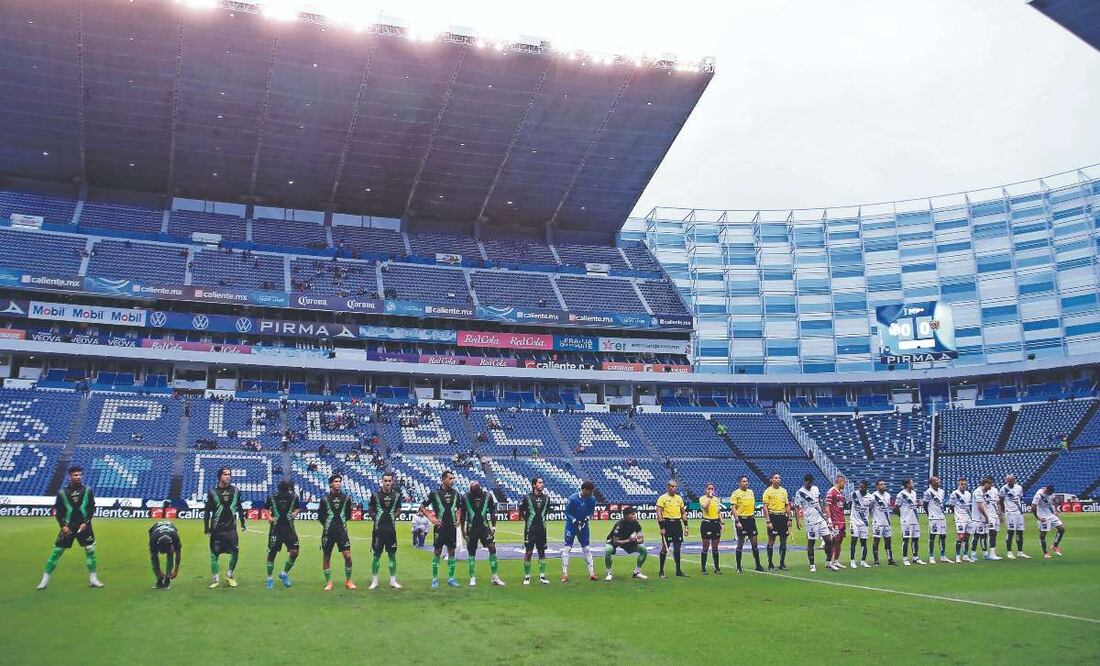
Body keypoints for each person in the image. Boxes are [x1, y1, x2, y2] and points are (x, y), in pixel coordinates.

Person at [38, 466, 103, 590]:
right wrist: (63, 526)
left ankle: (93, 579)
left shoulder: (88, 490)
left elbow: (91, 508)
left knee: (90, 550)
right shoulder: (62, 493)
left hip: (84, 526)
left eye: (79, 475)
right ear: (70, 476)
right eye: (75, 475)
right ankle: (44, 581)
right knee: (57, 551)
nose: (78, 477)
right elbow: (58, 511)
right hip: (68, 527)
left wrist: (86, 522)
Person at [203, 467, 246, 588]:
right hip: (217, 530)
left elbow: (240, 508)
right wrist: (206, 527)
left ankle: (229, 575)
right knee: (214, 555)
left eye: (229, 474)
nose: (228, 476)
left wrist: (243, 523)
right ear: (219, 476)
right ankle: (215, 580)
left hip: (231, 529)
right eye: (225, 474)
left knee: (235, 552)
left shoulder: (235, 491)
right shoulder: (212, 492)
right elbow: (207, 511)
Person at [459, 481, 504, 587]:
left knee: (492, 548)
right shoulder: (465, 497)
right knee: (471, 552)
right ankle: (472, 577)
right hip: (471, 528)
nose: (472, 493)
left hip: (484, 527)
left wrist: (493, 526)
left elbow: (492, 511)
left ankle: (495, 577)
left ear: (479, 489)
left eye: (474, 491)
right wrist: (463, 530)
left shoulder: (487, 496)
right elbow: (463, 515)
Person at [421, 470, 461, 588]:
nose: (452, 480)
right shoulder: (435, 493)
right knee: (437, 552)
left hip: (452, 527)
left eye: (453, 478)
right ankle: (434, 579)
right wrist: (430, 518)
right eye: (450, 478)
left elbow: (459, 508)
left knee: (452, 552)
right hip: (440, 527)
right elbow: (422, 507)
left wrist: (458, 518)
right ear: (444, 479)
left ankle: (451, 578)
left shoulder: (456, 493)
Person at [317, 474, 356, 591]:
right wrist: (329, 525)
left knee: (348, 556)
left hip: (342, 532)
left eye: (339, 481)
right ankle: (329, 582)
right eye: (335, 481)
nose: (338, 483)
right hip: (328, 532)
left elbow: (348, 515)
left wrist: (340, 525)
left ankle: (348, 580)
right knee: (326, 557)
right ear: (330, 484)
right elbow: (320, 516)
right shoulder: (324, 499)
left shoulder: (347, 498)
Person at [367, 472, 403, 590]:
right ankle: (375, 581)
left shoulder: (397, 495)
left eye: (389, 481)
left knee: (392, 555)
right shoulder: (375, 495)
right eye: (385, 481)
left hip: (391, 530)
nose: (387, 483)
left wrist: (393, 516)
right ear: (382, 481)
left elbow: (398, 509)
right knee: (376, 555)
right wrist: (376, 519)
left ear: (392, 482)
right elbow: (371, 510)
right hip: (378, 530)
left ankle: (393, 581)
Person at [792, 474, 835, 572]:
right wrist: (798, 521)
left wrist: (824, 514)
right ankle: (812, 565)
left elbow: (819, 501)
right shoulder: (800, 492)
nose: (809, 483)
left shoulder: (815, 489)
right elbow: (796, 507)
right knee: (811, 542)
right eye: (807, 481)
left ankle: (828, 562)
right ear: (804, 481)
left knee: (828, 540)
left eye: (810, 481)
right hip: (810, 520)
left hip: (820, 518)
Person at [264, 479, 300, 589]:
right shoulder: (272, 497)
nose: (283, 494)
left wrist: (294, 513)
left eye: (285, 492)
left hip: (289, 529)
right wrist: (269, 517)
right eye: (281, 491)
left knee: (295, 552)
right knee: (272, 553)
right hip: (275, 529)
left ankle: (284, 573)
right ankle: (269, 578)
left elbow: (298, 508)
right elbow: (266, 509)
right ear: (278, 490)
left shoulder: (294, 497)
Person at [561, 480, 598, 582]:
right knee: (567, 548)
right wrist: (574, 521)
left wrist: (587, 518)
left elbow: (591, 512)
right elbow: (567, 513)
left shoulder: (592, 499)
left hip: (584, 526)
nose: (591, 493)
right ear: (584, 490)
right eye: (590, 491)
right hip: (571, 526)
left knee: (586, 549)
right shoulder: (572, 499)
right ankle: (565, 574)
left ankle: (592, 573)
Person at [519, 476, 552, 585]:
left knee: (542, 552)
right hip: (530, 530)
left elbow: (546, 511)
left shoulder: (547, 498)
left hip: (542, 529)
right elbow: (521, 511)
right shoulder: (527, 497)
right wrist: (528, 521)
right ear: (534, 485)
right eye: (539, 482)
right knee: (528, 553)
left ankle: (542, 576)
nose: (542, 484)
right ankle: (527, 577)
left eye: (542, 482)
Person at [603, 506, 648, 581]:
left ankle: (636, 572)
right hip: (613, 541)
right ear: (626, 516)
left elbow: (641, 539)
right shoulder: (619, 524)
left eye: (634, 514)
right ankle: (609, 573)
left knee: (643, 549)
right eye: (632, 514)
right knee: (608, 551)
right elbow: (615, 541)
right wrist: (629, 540)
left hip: (627, 541)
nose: (634, 516)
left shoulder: (635, 523)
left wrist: (638, 539)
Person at [656, 479, 689, 577]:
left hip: (677, 525)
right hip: (667, 524)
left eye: (676, 487)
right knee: (665, 548)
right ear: (668, 487)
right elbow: (659, 512)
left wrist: (686, 526)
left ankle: (678, 571)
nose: (675, 488)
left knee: (677, 549)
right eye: (673, 486)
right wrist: (662, 527)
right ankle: (661, 571)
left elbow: (683, 512)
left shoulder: (679, 498)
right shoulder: (662, 498)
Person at [729, 476, 763, 573]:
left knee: (754, 543)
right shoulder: (735, 493)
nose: (746, 483)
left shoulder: (751, 492)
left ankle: (758, 565)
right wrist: (737, 521)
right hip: (742, 519)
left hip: (751, 519)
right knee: (740, 543)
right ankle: (739, 566)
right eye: (744, 481)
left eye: (747, 481)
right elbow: (733, 508)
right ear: (739, 483)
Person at [762, 473, 792, 571]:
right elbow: (765, 507)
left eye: (779, 478)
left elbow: (787, 505)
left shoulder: (784, 491)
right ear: (771, 480)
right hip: (773, 516)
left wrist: (789, 518)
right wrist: (768, 521)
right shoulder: (768, 491)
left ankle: (782, 563)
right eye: (775, 478)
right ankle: (770, 564)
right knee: (771, 540)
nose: (778, 479)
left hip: (782, 517)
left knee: (783, 541)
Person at [999, 474, 1030, 559]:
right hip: (1010, 513)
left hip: (1019, 513)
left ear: (1014, 480)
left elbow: (1020, 498)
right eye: (1008, 481)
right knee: (1010, 532)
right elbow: (1000, 500)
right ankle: (1009, 552)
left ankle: (1020, 552)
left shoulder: (1019, 488)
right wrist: (1003, 510)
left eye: (1011, 481)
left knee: (1020, 532)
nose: (1010, 483)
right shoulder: (1003, 489)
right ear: (1006, 481)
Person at [922, 476, 951, 564]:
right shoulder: (928, 492)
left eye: (938, 480)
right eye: (937, 480)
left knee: (943, 536)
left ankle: (943, 556)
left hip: (942, 517)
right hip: (933, 518)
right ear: (932, 483)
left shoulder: (942, 491)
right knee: (932, 537)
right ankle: (931, 556)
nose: (939, 481)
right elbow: (925, 504)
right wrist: (929, 514)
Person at [896, 479, 925, 566]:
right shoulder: (901, 495)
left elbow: (914, 504)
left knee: (915, 539)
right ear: (907, 484)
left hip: (915, 519)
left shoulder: (914, 493)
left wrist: (918, 504)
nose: (913, 484)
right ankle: (905, 558)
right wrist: (902, 517)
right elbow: (896, 508)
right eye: (912, 483)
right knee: (906, 539)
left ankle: (915, 558)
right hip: (906, 520)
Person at [1032, 485, 1065, 558]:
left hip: (1050, 514)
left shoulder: (1051, 494)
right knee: (1043, 534)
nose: (1051, 494)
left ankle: (1054, 546)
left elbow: (1054, 501)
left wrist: (1056, 510)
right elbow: (1033, 507)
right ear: (1047, 490)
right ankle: (1045, 552)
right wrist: (1038, 518)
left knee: (1061, 529)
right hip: (1043, 517)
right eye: (1050, 493)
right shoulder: (1038, 495)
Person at [698, 482, 723, 575]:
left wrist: (722, 522)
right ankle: (703, 568)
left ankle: (717, 568)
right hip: (707, 523)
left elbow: (718, 512)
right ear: (705, 490)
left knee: (715, 547)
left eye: (712, 489)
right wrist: (709, 497)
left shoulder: (716, 499)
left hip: (716, 524)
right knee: (705, 546)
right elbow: (705, 507)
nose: (710, 490)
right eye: (709, 489)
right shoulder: (703, 498)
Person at [870, 479, 897, 566]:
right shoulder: (873, 496)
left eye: (884, 484)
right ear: (877, 486)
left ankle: (890, 559)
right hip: (878, 522)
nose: (883, 486)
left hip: (887, 522)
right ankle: (876, 560)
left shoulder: (888, 495)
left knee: (888, 542)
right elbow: (869, 508)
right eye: (881, 484)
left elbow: (889, 506)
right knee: (876, 541)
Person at [148, 518, 182, 590]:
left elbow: (178, 555)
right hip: (154, 529)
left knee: (170, 554)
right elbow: (153, 556)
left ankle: (167, 579)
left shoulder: (175, 537)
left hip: (171, 528)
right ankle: (159, 580)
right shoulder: (153, 539)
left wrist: (175, 571)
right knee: (154, 555)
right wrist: (158, 571)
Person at [967, 477, 994, 562]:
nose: (991, 486)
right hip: (977, 519)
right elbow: (980, 506)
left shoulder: (984, 493)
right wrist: (986, 516)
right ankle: (973, 554)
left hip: (983, 518)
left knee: (984, 536)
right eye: (990, 484)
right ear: (985, 484)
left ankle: (985, 554)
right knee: (976, 536)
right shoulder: (977, 492)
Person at [847, 480, 872, 568]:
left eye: (862, 487)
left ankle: (863, 561)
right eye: (859, 487)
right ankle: (852, 561)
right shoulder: (853, 494)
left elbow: (871, 509)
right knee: (854, 540)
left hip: (864, 522)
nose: (860, 488)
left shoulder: (870, 497)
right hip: (854, 521)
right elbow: (849, 504)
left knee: (864, 542)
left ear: (866, 487)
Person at [824, 475, 847, 570]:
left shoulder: (841, 493)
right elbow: (827, 506)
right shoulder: (831, 492)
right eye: (844, 482)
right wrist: (829, 520)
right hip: (835, 521)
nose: (844, 484)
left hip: (842, 520)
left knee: (840, 541)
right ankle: (829, 562)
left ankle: (836, 561)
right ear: (839, 482)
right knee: (835, 541)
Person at [948, 478, 973, 563]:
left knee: (967, 536)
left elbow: (969, 506)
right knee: (960, 536)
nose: (963, 486)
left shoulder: (968, 494)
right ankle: (958, 556)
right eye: (961, 484)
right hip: (960, 517)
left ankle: (965, 556)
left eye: (964, 484)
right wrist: (956, 514)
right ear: (958, 485)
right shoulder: (954, 494)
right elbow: (951, 506)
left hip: (968, 517)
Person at [983, 480, 1002, 560]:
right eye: (989, 483)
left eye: (991, 483)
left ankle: (992, 551)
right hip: (989, 515)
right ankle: (990, 553)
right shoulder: (982, 491)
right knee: (991, 532)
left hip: (995, 515)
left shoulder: (995, 490)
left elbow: (997, 502)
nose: (991, 485)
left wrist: (1000, 514)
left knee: (994, 533)